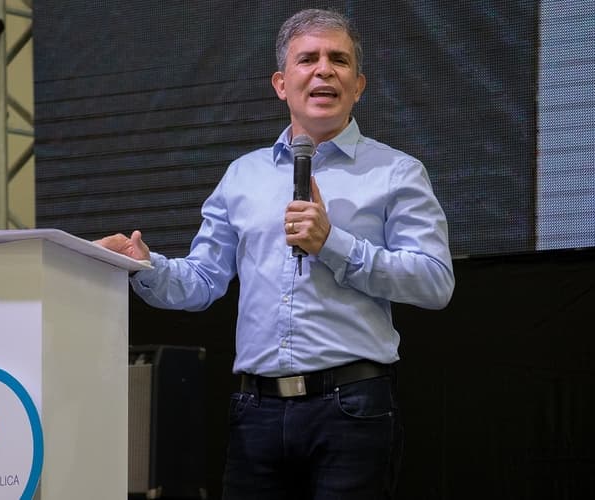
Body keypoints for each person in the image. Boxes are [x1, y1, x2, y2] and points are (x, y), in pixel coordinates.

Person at [97, 8, 454, 500]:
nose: (324, 70)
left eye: (339, 60)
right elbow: (202, 281)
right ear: (281, 84)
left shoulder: (397, 172)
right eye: (308, 59)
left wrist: (332, 243)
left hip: (352, 409)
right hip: (256, 413)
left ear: (358, 86)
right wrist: (142, 264)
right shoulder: (243, 175)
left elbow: (435, 282)